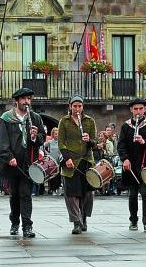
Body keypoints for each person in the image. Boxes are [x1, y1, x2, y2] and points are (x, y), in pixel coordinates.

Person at [0, 87, 45, 238]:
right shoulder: (6, 118)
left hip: (28, 163)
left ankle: (27, 226)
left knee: (26, 194)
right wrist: (8, 156)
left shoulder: (35, 117)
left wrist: (35, 136)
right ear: (16, 101)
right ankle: (14, 223)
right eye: (24, 99)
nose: (27, 102)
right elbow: (2, 141)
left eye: (29, 99)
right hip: (12, 164)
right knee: (14, 195)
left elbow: (42, 139)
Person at [57, 95, 97, 235]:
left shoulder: (89, 121)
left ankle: (84, 218)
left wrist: (89, 140)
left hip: (86, 160)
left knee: (87, 193)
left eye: (80, 106)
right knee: (72, 194)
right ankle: (76, 222)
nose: (77, 109)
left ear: (83, 107)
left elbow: (95, 142)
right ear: (70, 107)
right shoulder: (64, 121)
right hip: (71, 161)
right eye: (75, 106)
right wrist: (67, 158)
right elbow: (61, 142)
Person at [117, 98, 146, 232]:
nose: (138, 111)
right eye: (135, 109)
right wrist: (125, 159)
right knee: (132, 194)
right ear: (131, 110)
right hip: (131, 165)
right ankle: (133, 220)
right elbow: (121, 145)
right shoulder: (126, 125)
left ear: (145, 109)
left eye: (140, 109)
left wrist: (144, 141)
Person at [43, 127, 62, 195]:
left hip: (59, 161)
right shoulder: (50, 142)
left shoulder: (61, 142)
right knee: (52, 176)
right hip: (52, 162)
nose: (56, 135)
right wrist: (47, 154)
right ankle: (52, 190)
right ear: (53, 134)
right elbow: (42, 147)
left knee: (58, 176)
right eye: (55, 134)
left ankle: (58, 189)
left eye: (57, 134)